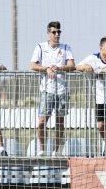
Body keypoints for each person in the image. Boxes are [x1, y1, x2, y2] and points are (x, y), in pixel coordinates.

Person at [30, 21, 75, 155]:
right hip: (47, 90)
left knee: (60, 122)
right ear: (48, 33)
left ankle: (56, 151)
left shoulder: (66, 47)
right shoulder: (40, 47)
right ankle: (42, 149)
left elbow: (72, 65)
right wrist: (46, 68)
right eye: (54, 32)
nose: (57, 35)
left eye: (59, 32)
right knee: (42, 121)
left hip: (62, 90)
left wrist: (60, 68)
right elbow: (32, 65)